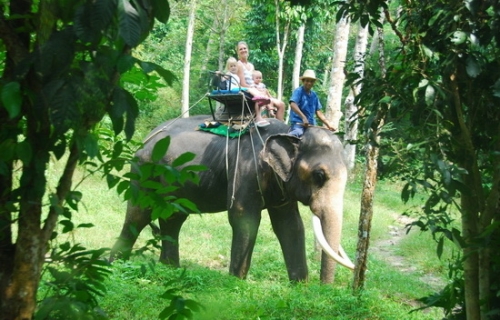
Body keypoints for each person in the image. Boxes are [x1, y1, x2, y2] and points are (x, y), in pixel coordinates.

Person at [235, 41, 284, 127]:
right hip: (248, 90)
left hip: (256, 88)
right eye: (240, 49)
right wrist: (254, 88)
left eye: (245, 48)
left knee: (281, 104)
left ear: (248, 50)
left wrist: (260, 87)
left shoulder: (251, 65)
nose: (243, 50)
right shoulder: (239, 64)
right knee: (261, 95)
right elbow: (242, 84)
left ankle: (280, 126)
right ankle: (262, 114)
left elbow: (256, 79)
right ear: (238, 52)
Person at [289, 69, 335, 137]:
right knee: (297, 133)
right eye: (307, 81)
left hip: (311, 125)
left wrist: (328, 124)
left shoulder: (314, 95)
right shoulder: (299, 91)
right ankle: (285, 141)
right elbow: (292, 104)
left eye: (311, 81)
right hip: (299, 124)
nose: (309, 83)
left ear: (314, 82)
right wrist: (303, 117)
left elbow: (318, 112)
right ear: (303, 81)